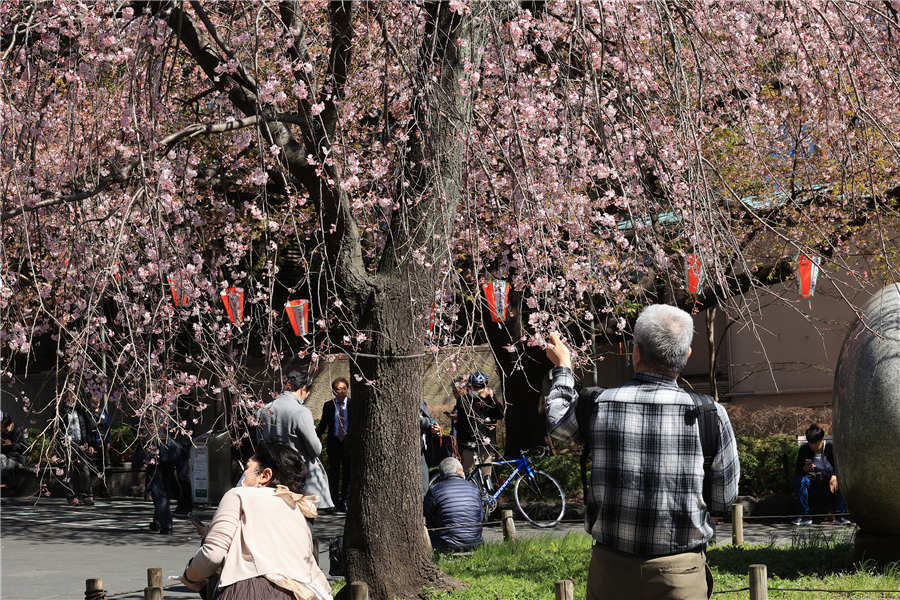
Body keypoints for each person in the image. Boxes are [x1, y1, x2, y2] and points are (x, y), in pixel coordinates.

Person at [545, 304, 740, 600]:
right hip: (681, 573)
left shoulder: (599, 406)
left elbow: (557, 419)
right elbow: (725, 497)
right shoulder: (710, 414)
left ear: (635, 352)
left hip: (611, 569)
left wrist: (563, 367)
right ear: (686, 356)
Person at [179, 442, 333, 600]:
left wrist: (191, 576)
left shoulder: (238, 495)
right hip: (299, 593)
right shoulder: (295, 507)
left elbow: (213, 554)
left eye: (247, 467)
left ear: (265, 475)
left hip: (250, 591)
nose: (243, 473)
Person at [258, 370, 333, 511]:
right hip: (299, 476)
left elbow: (259, 441)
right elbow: (316, 448)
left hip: (273, 473)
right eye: (308, 392)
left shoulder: (264, 410)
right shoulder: (301, 412)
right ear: (303, 388)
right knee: (304, 522)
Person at [423, 457, 484, 552]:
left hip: (447, 545)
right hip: (475, 543)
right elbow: (480, 516)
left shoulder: (435, 490)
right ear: (459, 471)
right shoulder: (474, 488)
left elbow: (426, 515)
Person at [793, 423, 849, 525]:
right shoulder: (804, 449)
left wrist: (835, 475)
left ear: (822, 439)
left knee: (840, 480)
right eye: (810, 443)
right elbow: (798, 471)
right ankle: (805, 515)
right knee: (800, 480)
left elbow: (841, 467)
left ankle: (841, 515)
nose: (813, 446)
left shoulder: (831, 448)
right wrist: (805, 469)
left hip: (829, 480)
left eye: (815, 443)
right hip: (813, 480)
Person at [455, 372, 504, 478]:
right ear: (470, 386)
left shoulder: (489, 399)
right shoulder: (463, 400)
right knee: (469, 474)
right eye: (475, 387)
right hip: (468, 443)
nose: (477, 390)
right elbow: (471, 418)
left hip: (486, 443)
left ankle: (486, 493)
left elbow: (500, 415)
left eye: (480, 387)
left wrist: (492, 398)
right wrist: (479, 399)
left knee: (486, 474)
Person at [57, 390, 99, 507]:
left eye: (75, 395)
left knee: (84, 470)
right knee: (67, 472)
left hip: (81, 443)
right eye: (72, 395)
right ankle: (71, 497)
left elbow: (88, 428)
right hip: (68, 444)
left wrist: (90, 444)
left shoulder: (80, 410)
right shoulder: (61, 411)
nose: (75, 398)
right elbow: (57, 429)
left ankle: (87, 496)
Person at [316, 377, 351, 512]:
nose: (341, 391)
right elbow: (323, 424)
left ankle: (345, 501)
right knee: (334, 473)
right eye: (338, 389)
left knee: (348, 473)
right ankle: (333, 501)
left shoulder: (353, 404)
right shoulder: (329, 405)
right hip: (334, 442)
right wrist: (315, 438)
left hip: (348, 443)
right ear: (334, 391)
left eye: (344, 388)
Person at [419, 399, 442, 492]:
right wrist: (428, 423)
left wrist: (434, 426)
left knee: (424, 486)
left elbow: (430, 419)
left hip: (423, 451)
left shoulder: (421, 402)